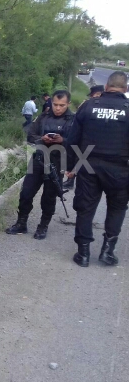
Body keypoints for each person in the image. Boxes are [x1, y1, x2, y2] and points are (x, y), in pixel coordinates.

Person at [66, 71, 129, 267]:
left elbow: (72, 140)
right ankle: (107, 252)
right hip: (120, 169)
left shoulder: (88, 106)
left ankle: (83, 254)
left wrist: (70, 167)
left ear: (107, 87)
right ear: (125, 89)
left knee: (86, 208)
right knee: (117, 208)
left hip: (88, 164)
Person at [5, 90, 75, 240]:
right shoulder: (44, 117)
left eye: (61, 105)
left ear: (68, 104)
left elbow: (77, 142)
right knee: (26, 193)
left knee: (49, 197)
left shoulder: (73, 120)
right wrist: (42, 138)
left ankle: (43, 226)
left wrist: (62, 141)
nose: (57, 108)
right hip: (38, 159)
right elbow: (31, 135)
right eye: (55, 104)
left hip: (57, 162)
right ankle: (21, 223)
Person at [64, 85, 106, 189]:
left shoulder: (105, 107)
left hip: (97, 143)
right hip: (83, 139)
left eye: (95, 95)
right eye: (92, 96)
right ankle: (70, 180)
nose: (93, 98)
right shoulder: (87, 105)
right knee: (76, 159)